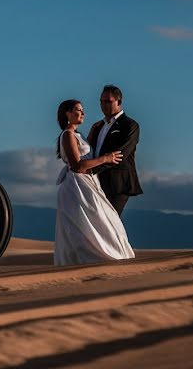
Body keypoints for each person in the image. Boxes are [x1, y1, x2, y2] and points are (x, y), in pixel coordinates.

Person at [54, 99, 135, 266]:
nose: (83, 113)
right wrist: (106, 158)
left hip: (88, 183)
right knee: (86, 225)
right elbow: (77, 166)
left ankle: (112, 259)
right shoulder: (67, 135)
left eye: (83, 110)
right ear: (67, 114)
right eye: (78, 110)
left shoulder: (79, 135)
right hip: (76, 186)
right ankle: (92, 263)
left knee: (106, 220)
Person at [86, 85, 143, 216]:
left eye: (108, 101)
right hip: (96, 183)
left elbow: (119, 155)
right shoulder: (98, 126)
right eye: (101, 101)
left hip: (117, 184)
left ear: (119, 102)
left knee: (109, 224)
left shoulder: (130, 125)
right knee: (97, 223)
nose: (103, 105)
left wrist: (90, 170)